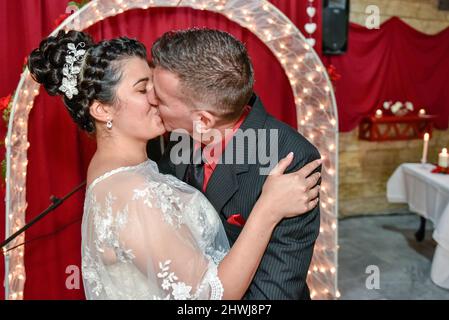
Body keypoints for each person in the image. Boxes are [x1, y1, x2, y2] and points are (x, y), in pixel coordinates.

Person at [27, 30, 321, 300]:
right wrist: (266, 212)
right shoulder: (134, 192)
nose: (155, 98)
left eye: (153, 86)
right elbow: (209, 296)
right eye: (143, 89)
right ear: (103, 109)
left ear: (203, 118)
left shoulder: (286, 157)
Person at [150, 29, 322, 300]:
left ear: (204, 120)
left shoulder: (290, 161)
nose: (150, 100)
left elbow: (271, 296)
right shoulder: (181, 134)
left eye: (159, 99)